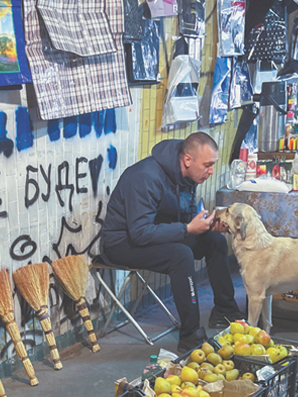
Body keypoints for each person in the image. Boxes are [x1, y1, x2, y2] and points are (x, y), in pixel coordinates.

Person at [100, 132, 245, 353]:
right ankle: (191, 335)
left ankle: (225, 310)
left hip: (158, 234)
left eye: (213, 165)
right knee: (181, 255)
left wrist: (205, 224)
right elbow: (140, 233)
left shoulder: (187, 176)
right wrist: (187, 229)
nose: (211, 171)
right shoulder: (145, 177)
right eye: (207, 165)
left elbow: (182, 218)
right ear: (187, 160)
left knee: (215, 241)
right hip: (122, 243)